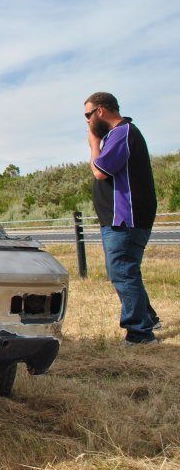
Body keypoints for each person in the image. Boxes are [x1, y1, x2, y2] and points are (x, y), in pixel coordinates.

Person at [84, 92, 160, 345]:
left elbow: (100, 171)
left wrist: (94, 143)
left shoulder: (122, 132)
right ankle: (148, 318)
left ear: (101, 111)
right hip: (117, 220)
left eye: (88, 115)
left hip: (125, 219)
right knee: (126, 272)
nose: (86, 121)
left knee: (123, 272)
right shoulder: (119, 135)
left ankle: (140, 334)